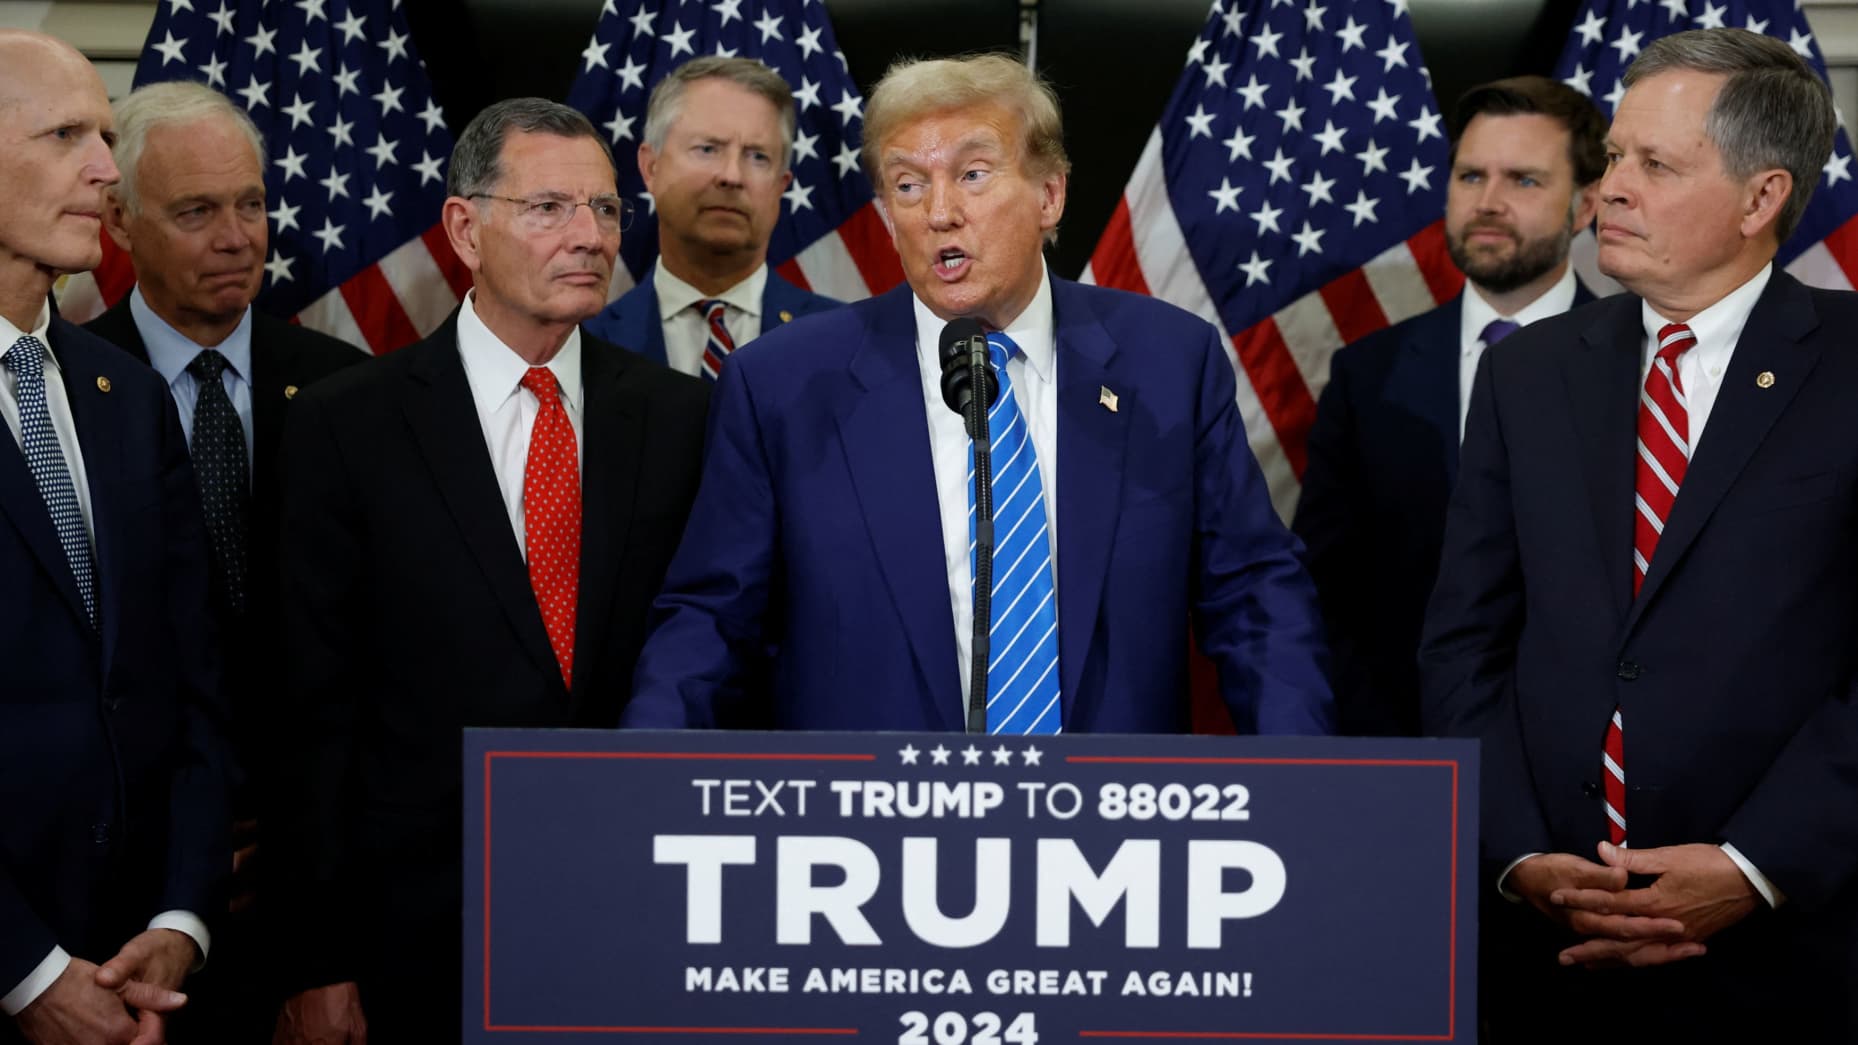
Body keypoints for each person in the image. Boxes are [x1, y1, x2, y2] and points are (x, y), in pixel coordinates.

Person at [624, 53, 1331, 735]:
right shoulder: (783, 384)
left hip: (1112, 824)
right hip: (873, 825)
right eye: (907, 185)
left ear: (1049, 194)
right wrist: (642, 780)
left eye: (972, 174)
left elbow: (1253, 596)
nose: (940, 212)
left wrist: (1303, 780)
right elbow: (710, 618)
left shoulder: (1169, 364)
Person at [1420, 28, 1858, 1038]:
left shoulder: (1846, 367)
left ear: (1761, 199)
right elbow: (1464, 642)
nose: (1609, 188)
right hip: (1543, 951)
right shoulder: (1526, 374)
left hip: (1789, 959)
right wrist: (1517, 854)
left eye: (1654, 165)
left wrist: (1757, 864)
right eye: (1615, 156)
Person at [269, 98, 708, 1044]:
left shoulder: (683, 420)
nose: (588, 236)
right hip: (415, 938)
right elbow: (312, 711)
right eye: (549, 207)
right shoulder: (347, 426)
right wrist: (318, 956)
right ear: (464, 227)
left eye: (604, 209)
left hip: (634, 915)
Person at [84, 81, 365, 1041]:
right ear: (119, 220)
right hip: (126, 901)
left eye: (251, 203)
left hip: (316, 888)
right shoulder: (65, 394)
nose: (238, 235)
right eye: (197, 211)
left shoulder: (355, 393)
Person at [0, 29, 229, 1045]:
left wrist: (180, 917)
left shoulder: (126, 395)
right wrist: (28, 973)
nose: (106, 169)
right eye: (65, 136)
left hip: (146, 985)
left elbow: (193, 686)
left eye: (106, 134)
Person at [1294, 77, 1604, 737]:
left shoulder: (1643, 366)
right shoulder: (1366, 375)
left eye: (1524, 180)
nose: (1487, 202)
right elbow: (1325, 593)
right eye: (1470, 176)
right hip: (1402, 758)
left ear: (1586, 207)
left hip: (1596, 780)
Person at [584, 57, 837, 377]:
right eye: (707, 149)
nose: (731, 175)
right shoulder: (581, 342)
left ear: (780, 185)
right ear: (651, 167)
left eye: (757, 156)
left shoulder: (843, 343)